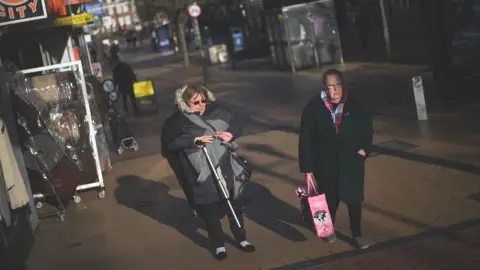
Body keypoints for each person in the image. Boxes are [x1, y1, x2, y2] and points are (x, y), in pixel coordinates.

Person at [161, 85, 255, 261]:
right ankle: (219, 244)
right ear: (185, 102)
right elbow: (169, 144)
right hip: (199, 172)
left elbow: (239, 122)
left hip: (225, 166)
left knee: (233, 204)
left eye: (203, 100)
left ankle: (242, 239)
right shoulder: (177, 121)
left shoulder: (219, 111)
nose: (201, 105)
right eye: (195, 102)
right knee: (210, 210)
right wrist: (194, 140)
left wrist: (231, 134)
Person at [298, 69, 373, 249]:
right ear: (325, 87)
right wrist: (307, 167)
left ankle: (357, 235)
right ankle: (328, 227)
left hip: (351, 161)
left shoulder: (355, 105)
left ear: (343, 85)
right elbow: (306, 138)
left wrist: (364, 150)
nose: (335, 90)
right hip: (325, 163)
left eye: (338, 85)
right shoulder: (313, 108)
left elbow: (367, 128)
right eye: (331, 86)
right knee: (330, 199)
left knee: (354, 199)